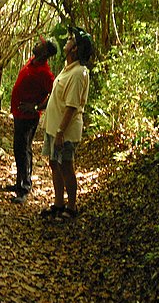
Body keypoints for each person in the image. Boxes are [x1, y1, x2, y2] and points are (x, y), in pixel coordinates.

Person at [41, 26, 94, 218]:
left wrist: (61, 132)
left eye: (71, 39)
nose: (67, 40)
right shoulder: (67, 69)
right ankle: (58, 203)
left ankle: (72, 207)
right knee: (54, 163)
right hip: (54, 127)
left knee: (66, 166)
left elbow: (72, 106)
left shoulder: (80, 73)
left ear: (75, 48)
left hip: (65, 131)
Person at [7, 36, 58, 204]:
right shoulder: (32, 61)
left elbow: (54, 95)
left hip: (28, 117)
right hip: (19, 114)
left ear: (44, 52)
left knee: (24, 149)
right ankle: (19, 183)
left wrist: (36, 107)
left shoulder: (45, 73)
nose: (36, 45)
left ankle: (24, 188)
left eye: (40, 44)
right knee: (18, 148)